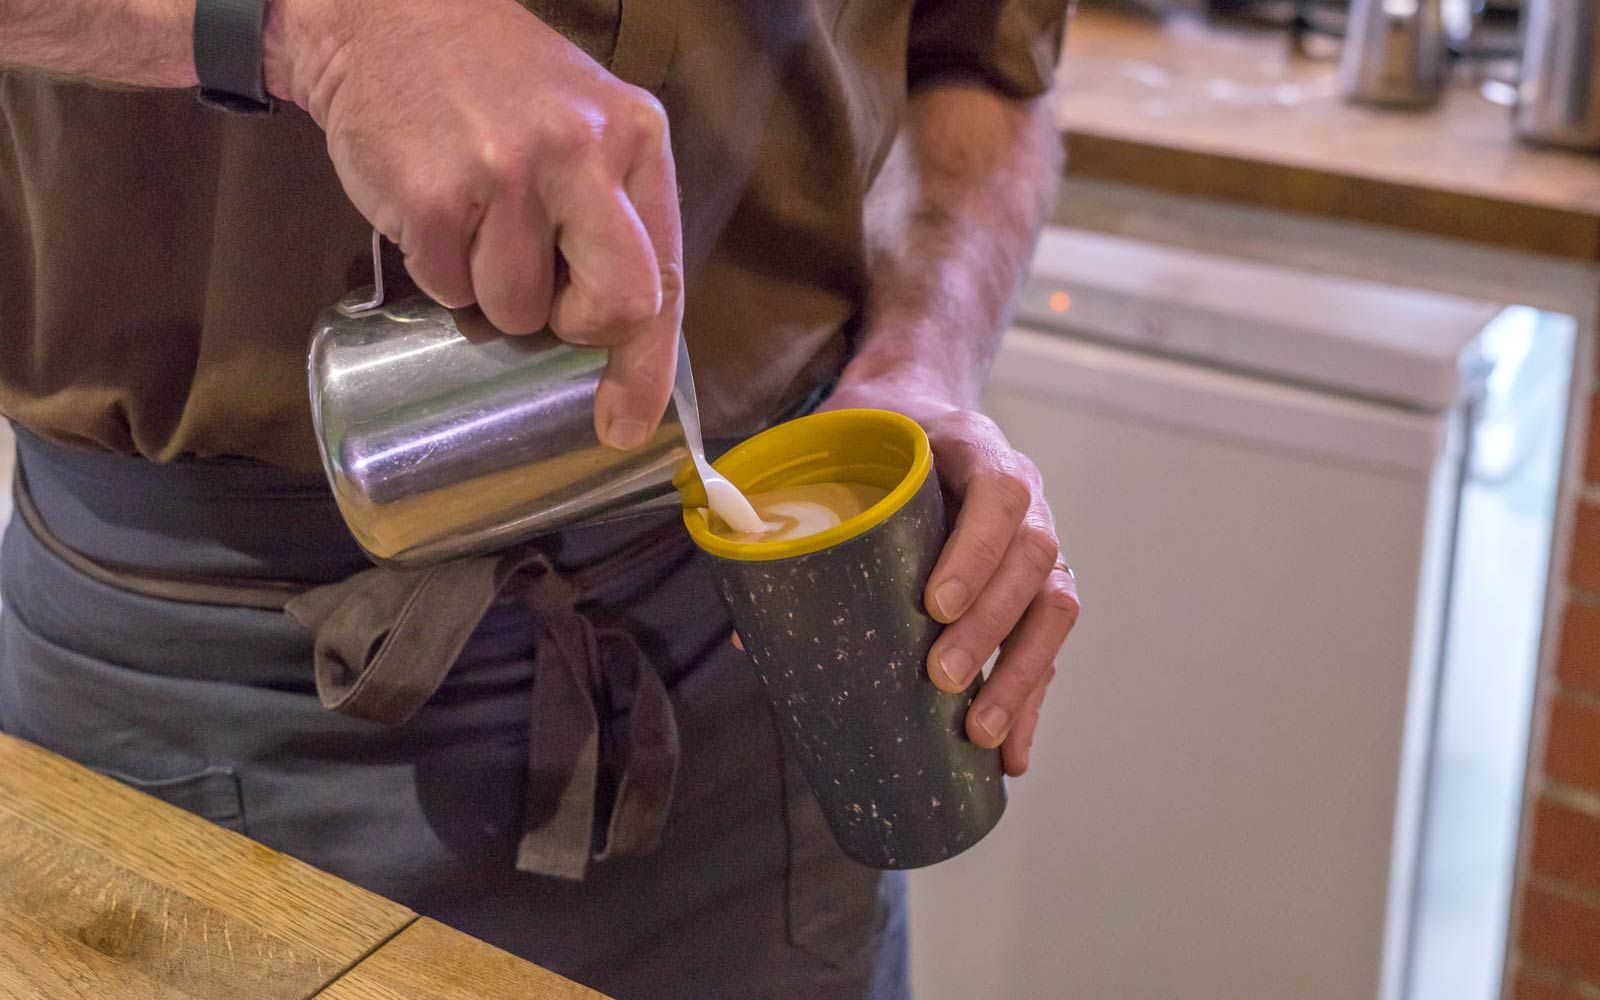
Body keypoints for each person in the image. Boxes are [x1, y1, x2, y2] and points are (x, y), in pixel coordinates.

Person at [0, 1, 1079, 996]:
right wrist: (320, 28)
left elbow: (979, 68)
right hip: (206, 710)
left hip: (758, 702)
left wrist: (919, 362)